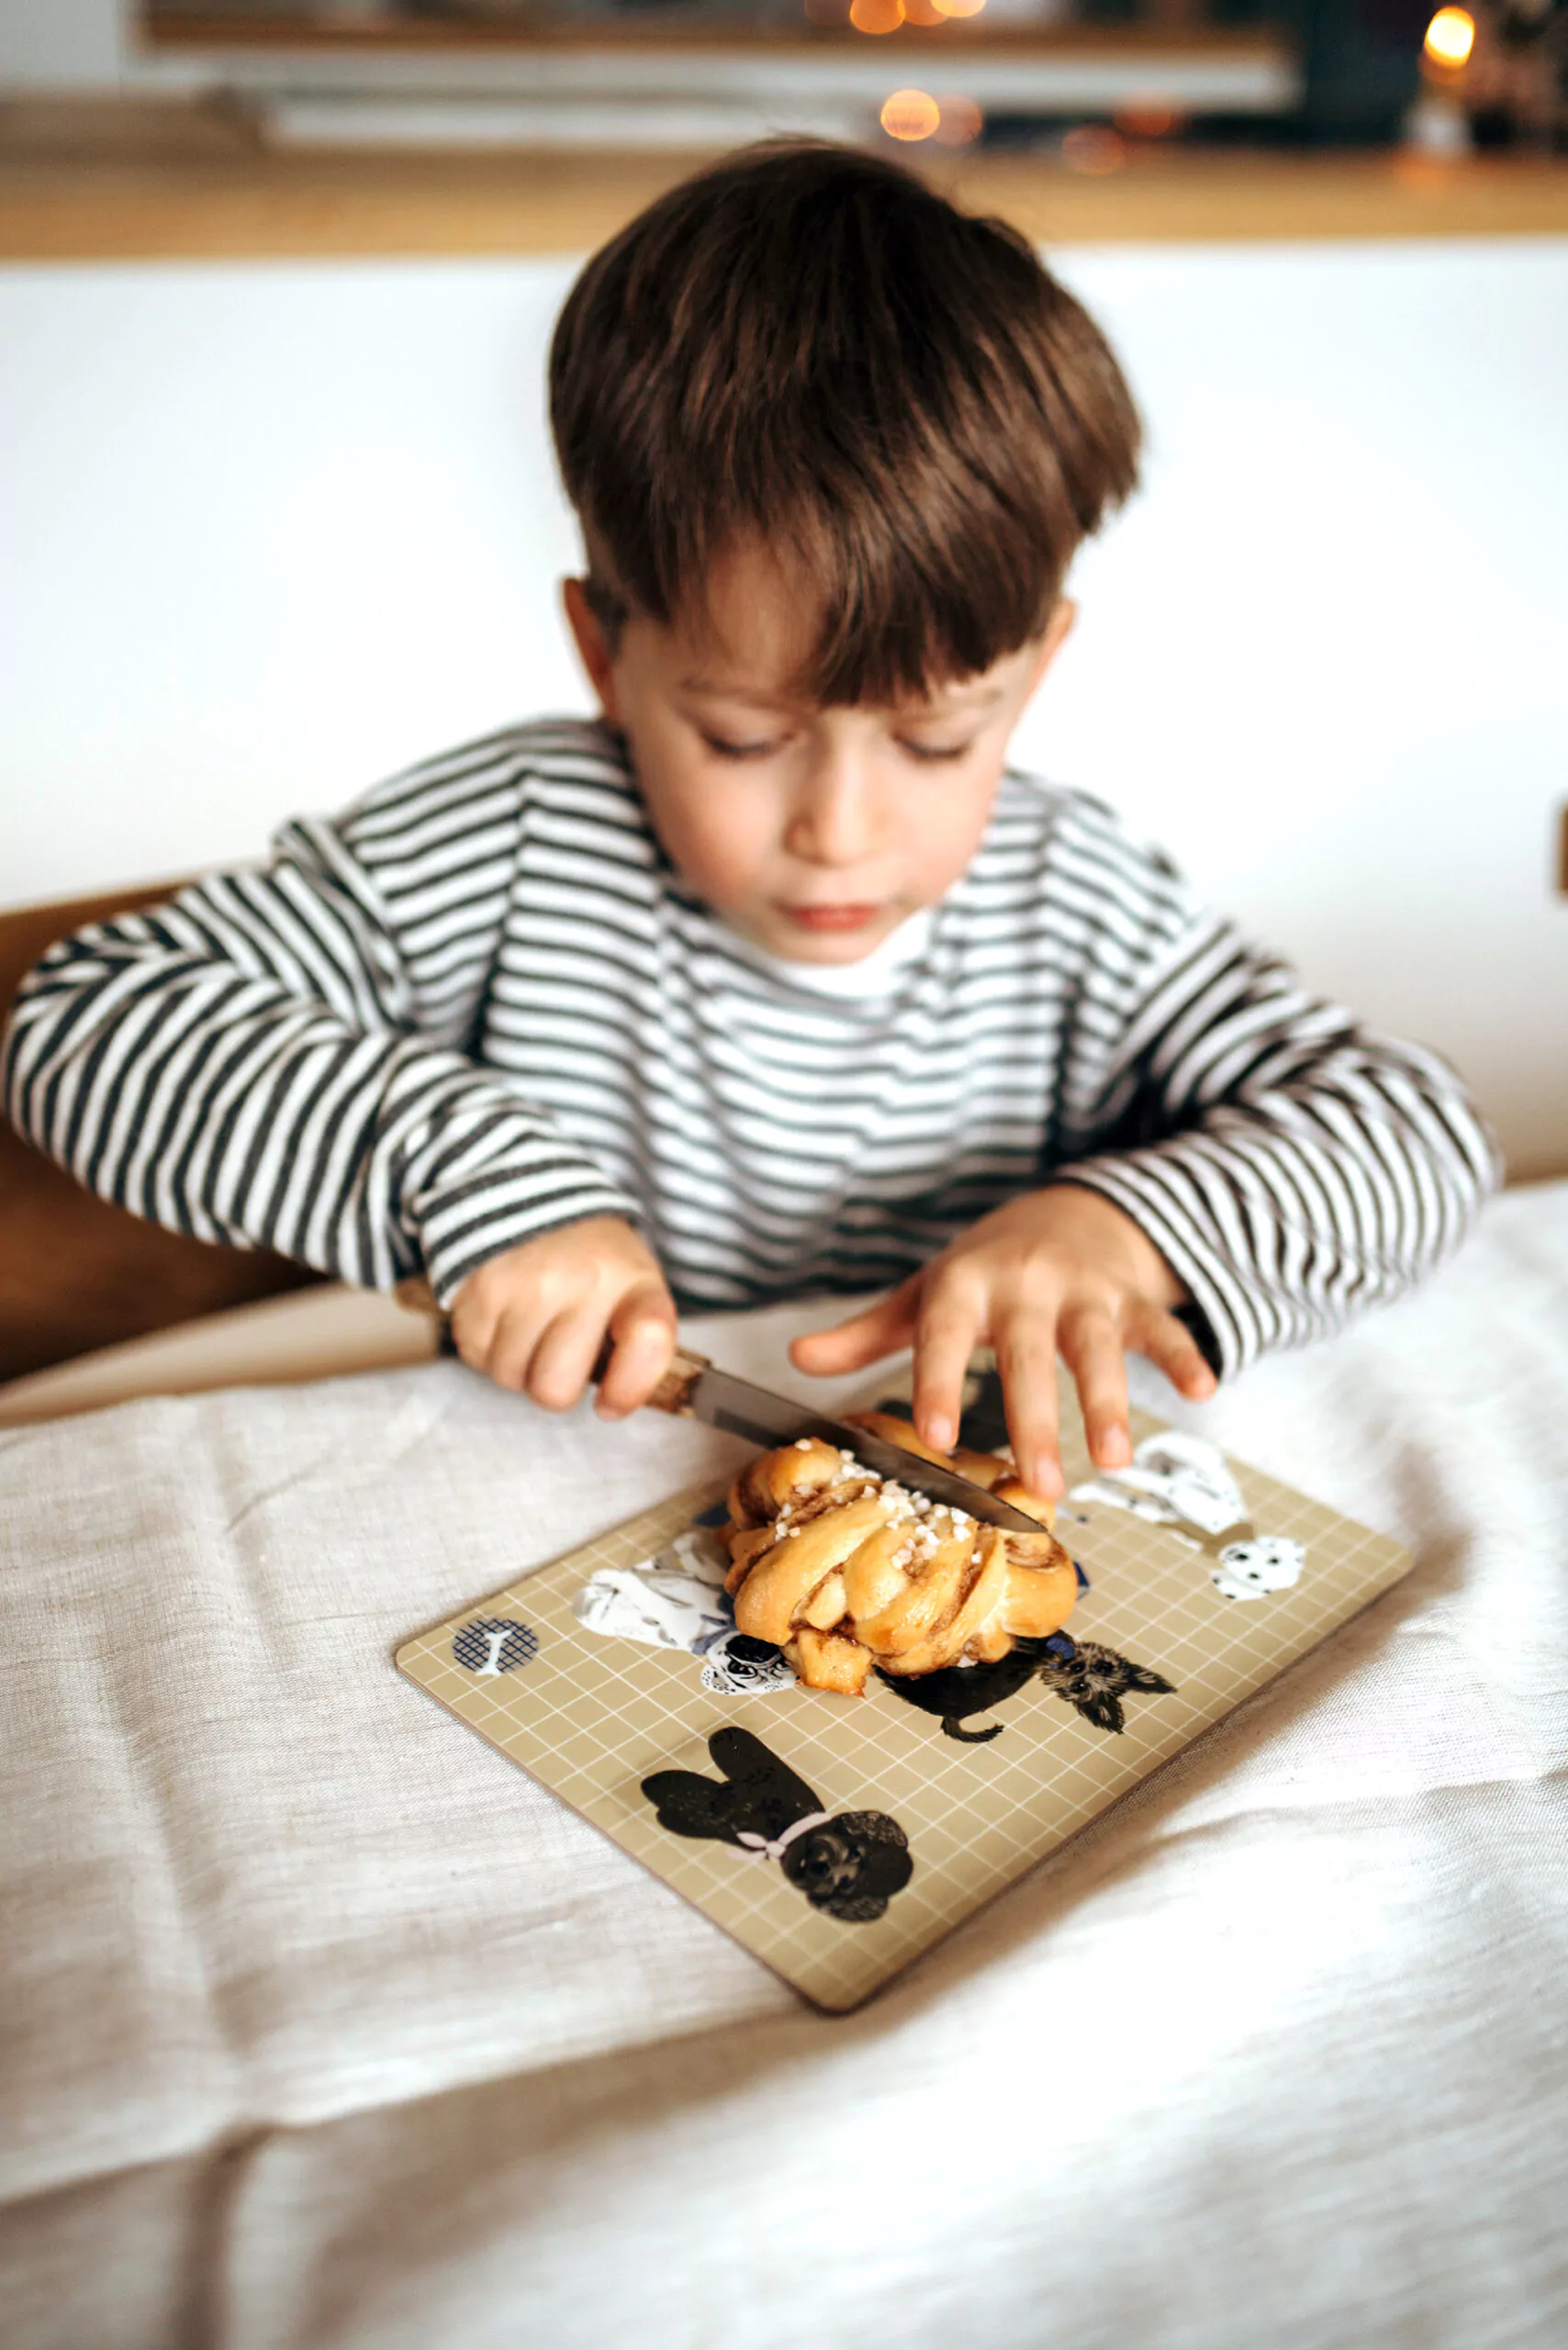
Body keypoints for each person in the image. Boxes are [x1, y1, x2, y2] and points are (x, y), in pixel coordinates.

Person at [2, 142, 1497, 1501]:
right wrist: (474, 1181)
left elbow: (1421, 1133)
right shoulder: (508, 850)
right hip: (527, 1531)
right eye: (743, 737)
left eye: (934, 738)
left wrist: (1132, 1230)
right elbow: (90, 1024)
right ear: (607, 655)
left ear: (1034, 672)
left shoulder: (1075, 900)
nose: (840, 830)